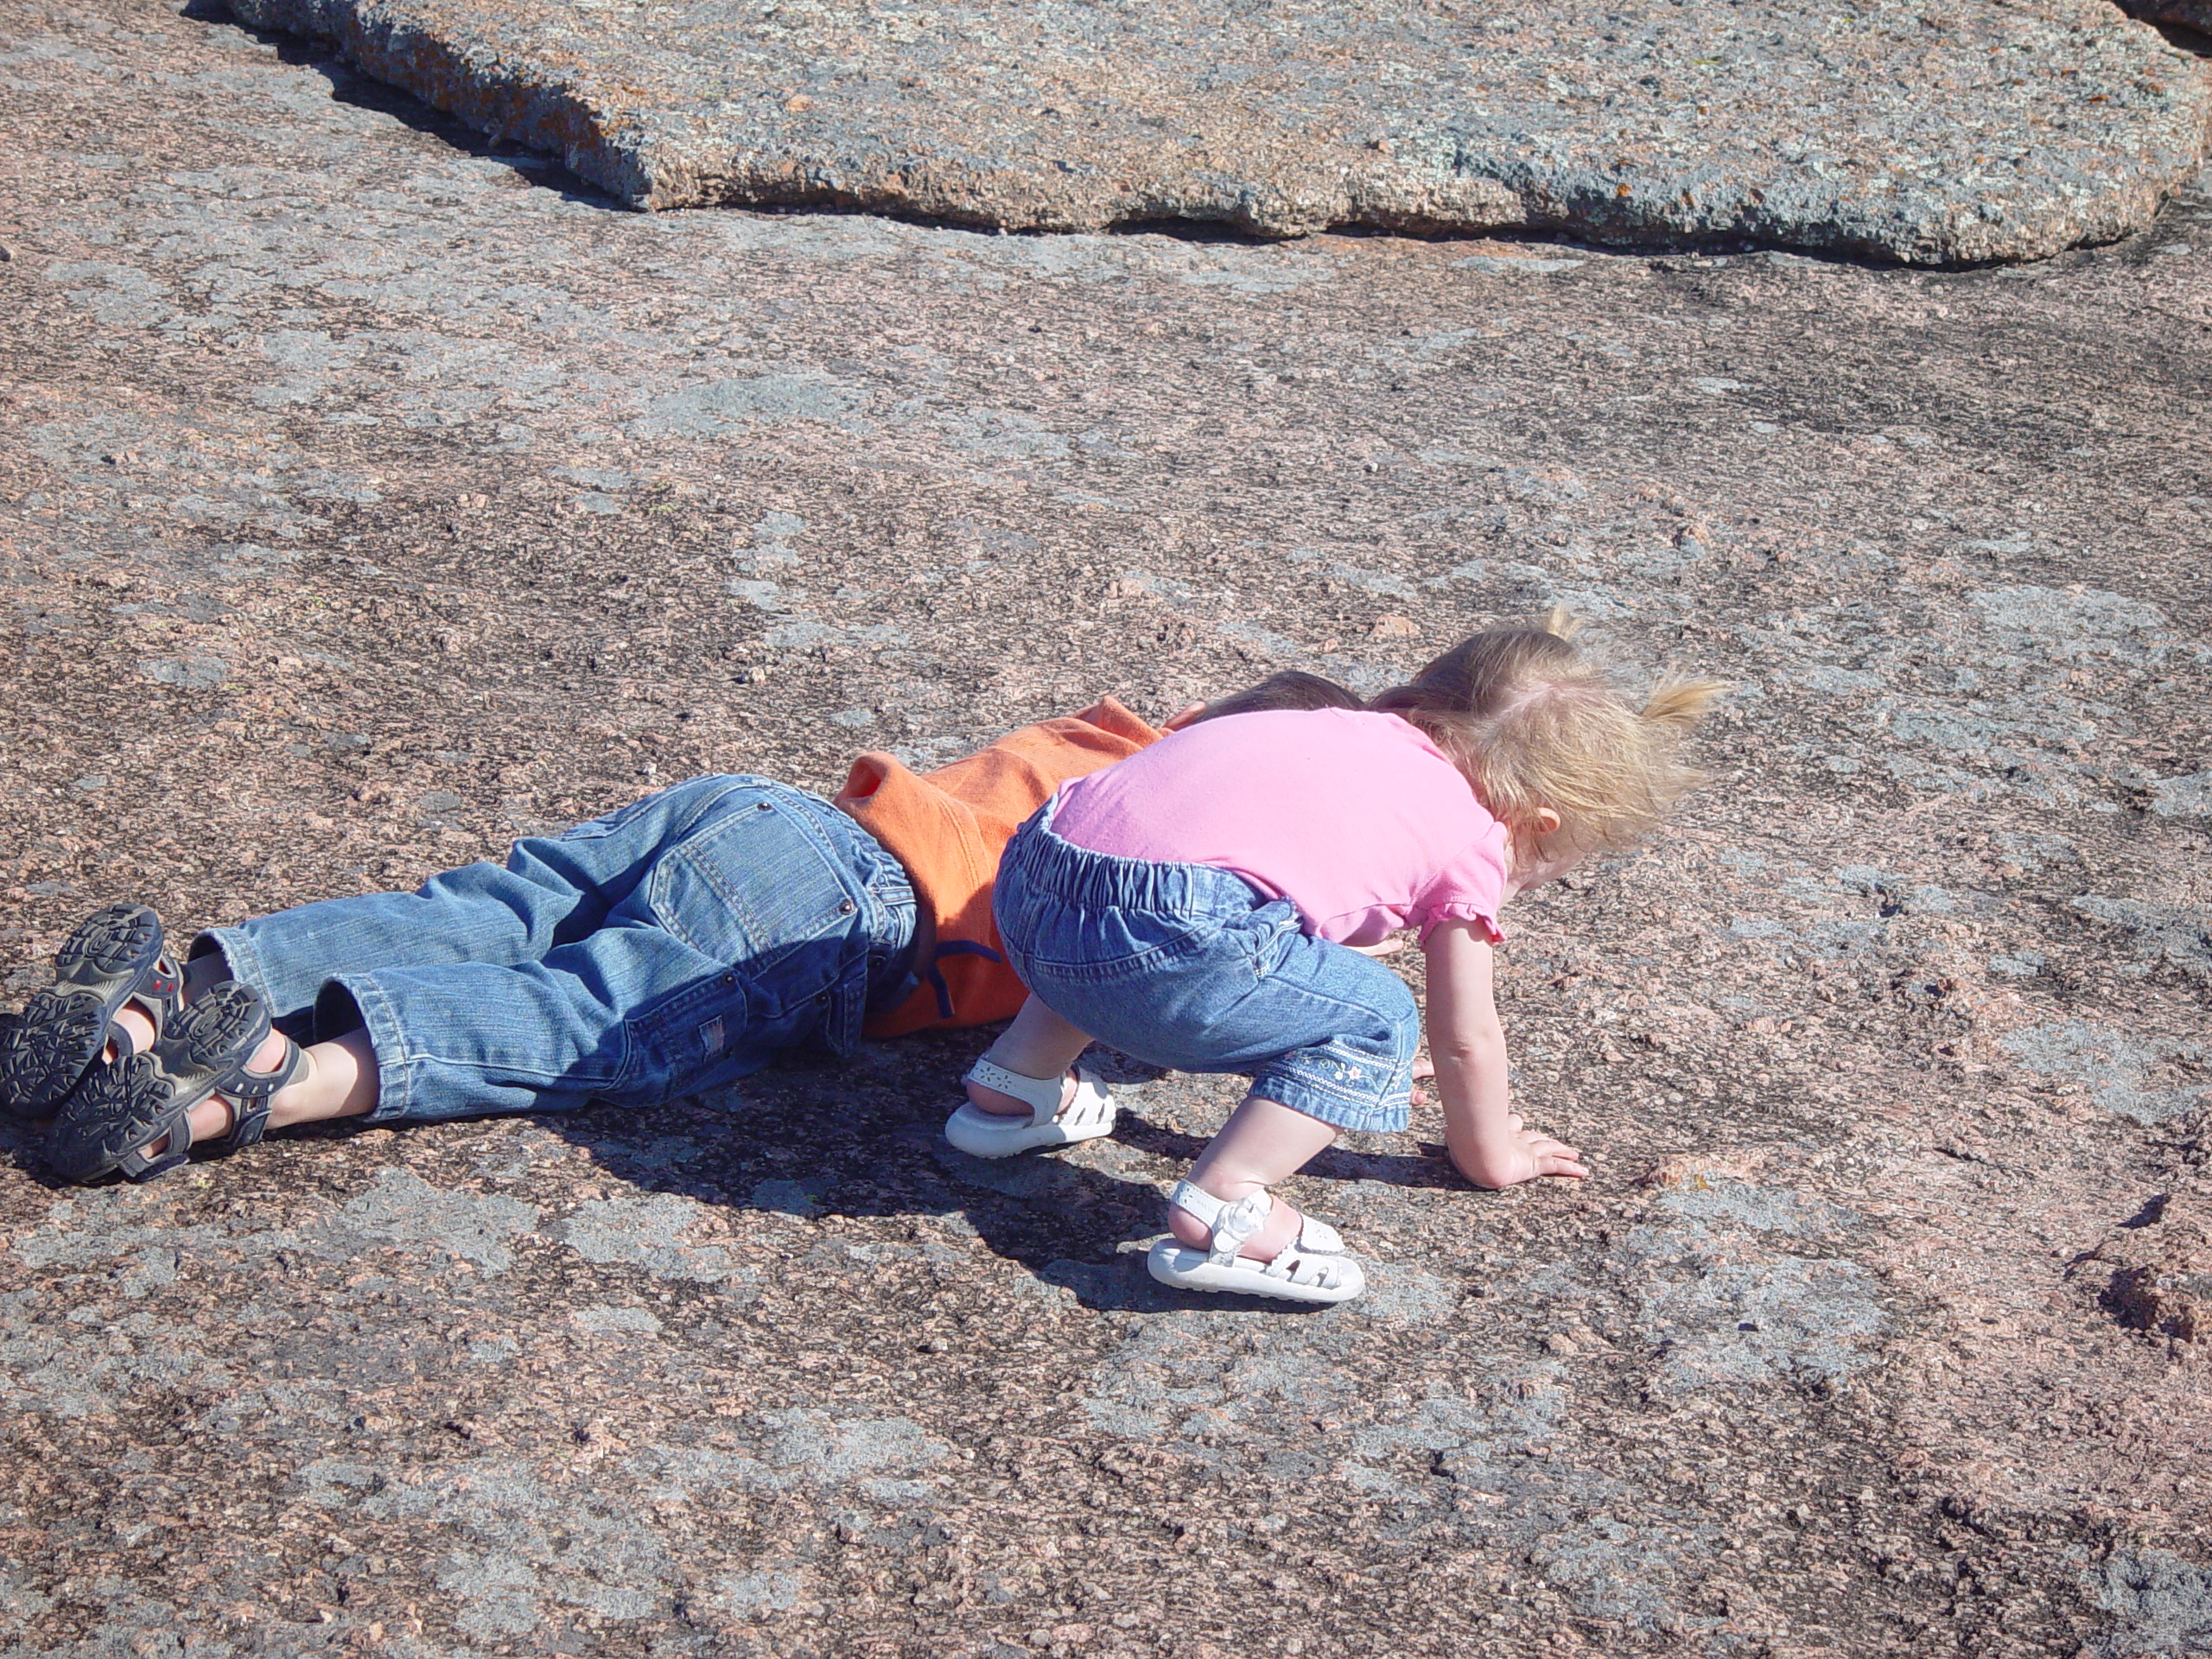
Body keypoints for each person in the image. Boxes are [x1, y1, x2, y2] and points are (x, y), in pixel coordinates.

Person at [1, 673, 1362, 1184]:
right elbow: (1158, 991)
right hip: (837, 913)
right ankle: (254, 1088)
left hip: (763, 809)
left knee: (490, 905)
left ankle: (166, 991)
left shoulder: (1107, 742)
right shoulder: (1193, 869)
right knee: (593, 1016)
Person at [954, 613, 1721, 1305]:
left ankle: (1013, 1089)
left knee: (1122, 901)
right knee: (1378, 1017)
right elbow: (1464, 1036)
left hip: (1033, 875)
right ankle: (1228, 1199)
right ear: (1536, 819)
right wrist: (1493, 1154)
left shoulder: (1327, 722)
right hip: (1168, 942)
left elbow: (1225, 841)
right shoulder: (1478, 833)